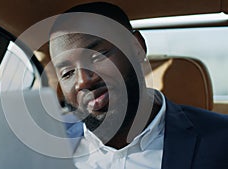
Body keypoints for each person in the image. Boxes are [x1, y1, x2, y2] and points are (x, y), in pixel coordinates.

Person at [48, 2, 228, 169]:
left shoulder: (220, 139)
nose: (83, 81)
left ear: (137, 47)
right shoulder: (47, 147)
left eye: (97, 56)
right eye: (67, 73)